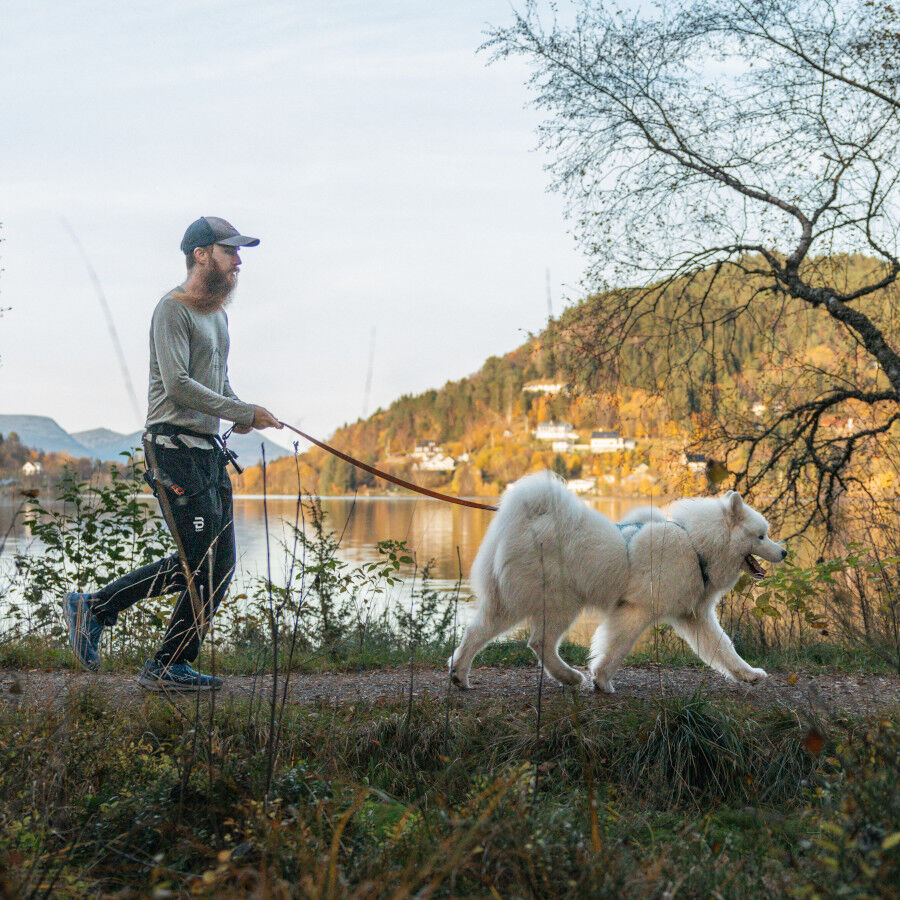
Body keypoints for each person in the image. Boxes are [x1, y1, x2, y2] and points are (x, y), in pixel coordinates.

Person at [63, 216, 282, 691]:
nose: (239, 261)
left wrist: (241, 414)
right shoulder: (171, 309)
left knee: (217, 567)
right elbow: (179, 386)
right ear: (202, 254)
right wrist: (241, 407)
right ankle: (99, 611)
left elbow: (216, 383)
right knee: (198, 559)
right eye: (231, 251)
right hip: (172, 449)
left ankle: (167, 663)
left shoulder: (218, 315)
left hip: (208, 453)